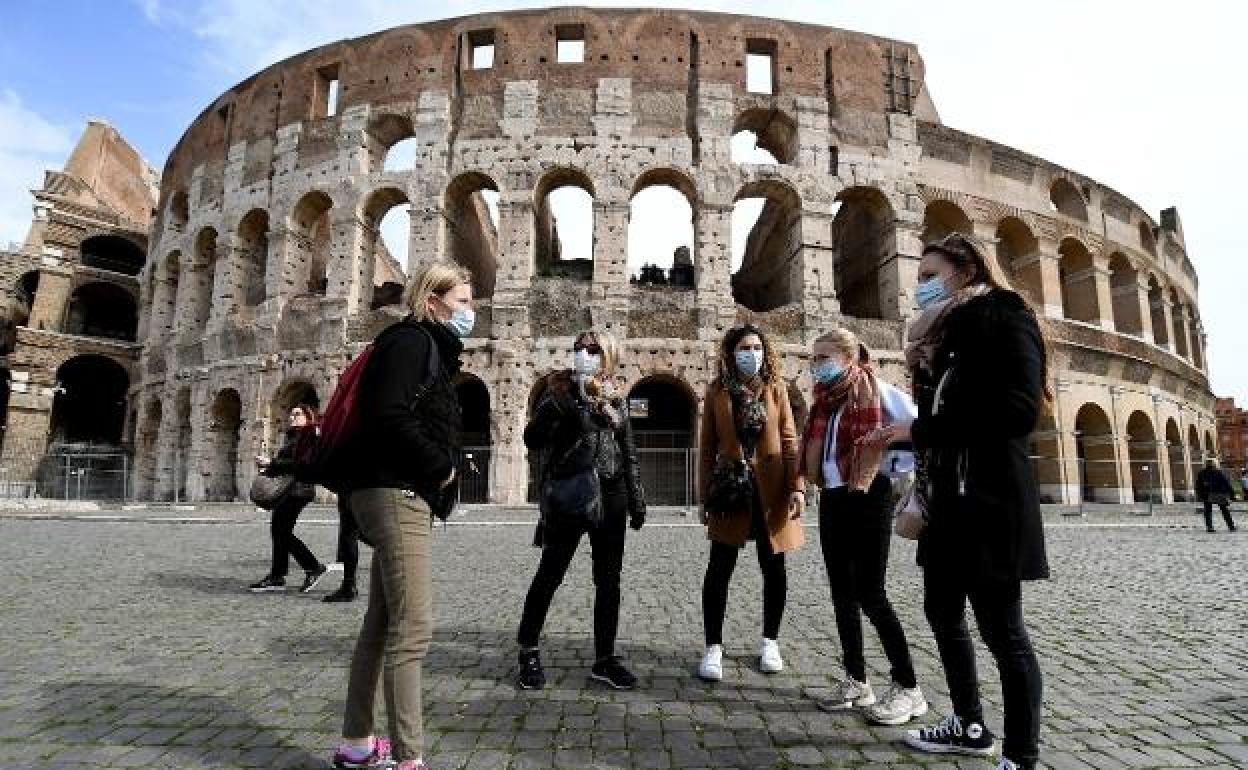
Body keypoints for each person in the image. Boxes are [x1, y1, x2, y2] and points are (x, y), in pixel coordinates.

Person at [863, 232, 1048, 770]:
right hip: (946, 500)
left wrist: (916, 431)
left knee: (1003, 631)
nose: (917, 287)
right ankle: (968, 724)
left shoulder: (1005, 316)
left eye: (927, 277)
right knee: (942, 612)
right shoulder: (941, 339)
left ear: (965, 272)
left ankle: (1021, 756)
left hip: (989, 500)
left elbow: (1018, 411)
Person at [330, 261, 472, 770]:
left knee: (381, 623)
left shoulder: (416, 343)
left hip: (389, 491)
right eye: (461, 302)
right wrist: (441, 469)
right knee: (414, 629)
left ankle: (356, 745)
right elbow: (388, 414)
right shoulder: (413, 342)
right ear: (432, 301)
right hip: (399, 493)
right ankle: (409, 759)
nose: (469, 312)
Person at [797, 328, 927, 725]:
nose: (818, 365)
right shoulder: (824, 403)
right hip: (834, 496)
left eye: (825, 357)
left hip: (869, 494)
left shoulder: (878, 391)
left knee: (871, 593)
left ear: (849, 358)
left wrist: (889, 468)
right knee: (841, 593)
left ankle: (909, 687)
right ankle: (856, 679)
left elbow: (916, 430)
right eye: (815, 358)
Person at [515, 329, 647, 691]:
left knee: (609, 581)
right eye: (578, 348)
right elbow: (532, 439)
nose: (582, 354)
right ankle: (528, 650)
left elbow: (628, 452)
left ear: (608, 356)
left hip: (612, 493)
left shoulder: (616, 399)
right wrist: (557, 411)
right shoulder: (559, 392)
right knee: (550, 573)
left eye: (591, 349)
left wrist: (636, 499)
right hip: (571, 491)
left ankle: (604, 659)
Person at [697, 323, 804, 682]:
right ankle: (713, 647)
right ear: (731, 352)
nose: (752, 354)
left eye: (757, 347)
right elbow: (708, 448)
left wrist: (797, 488)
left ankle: (770, 641)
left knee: (774, 569)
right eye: (744, 348)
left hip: (772, 491)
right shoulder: (717, 391)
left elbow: (790, 441)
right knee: (719, 570)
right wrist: (703, 497)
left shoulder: (776, 390)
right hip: (730, 488)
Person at [249, 404, 330, 594]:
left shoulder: (309, 434)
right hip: (289, 489)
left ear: (308, 416)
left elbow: (303, 464)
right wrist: (269, 467)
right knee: (279, 530)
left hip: (299, 489)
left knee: (281, 531)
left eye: (297, 414)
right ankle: (278, 575)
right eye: (291, 414)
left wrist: (272, 463)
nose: (292, 417)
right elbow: (287, 465)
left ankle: (313, 567)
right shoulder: (292, 436)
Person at [323, 494, 362, 602]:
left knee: (349, 534)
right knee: (352, 533)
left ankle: (348, 587)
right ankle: (349, 586)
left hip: (352, 490)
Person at [1195, 459, 1237, 533]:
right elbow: (1226, 484)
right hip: (1218, 493)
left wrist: (1199, 494)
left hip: (1207, 494)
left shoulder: (1201, 473)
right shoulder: (1218, 472)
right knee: (1224, 510)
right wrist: (1232, 494)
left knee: (1208, 511)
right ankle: (1231, 526)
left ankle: (1210, 527)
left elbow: (1198, 485)